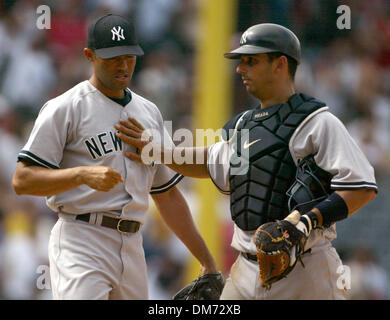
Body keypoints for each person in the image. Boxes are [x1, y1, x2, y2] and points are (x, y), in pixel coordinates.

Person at [115, 23, 378, 300]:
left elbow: (363, 188)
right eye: (241, 62)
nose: (240, 69)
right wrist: (158, 151)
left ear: (280, 64)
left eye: (251, 61)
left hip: (305, 268)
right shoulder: (245, 126)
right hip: (245, 270)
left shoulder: (318, 123)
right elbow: (208, 162)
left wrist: (308, 222)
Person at [12, 14, 218, 300]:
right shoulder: (65, 108)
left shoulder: (149, 113)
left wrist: (207, 261)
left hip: (133, 244)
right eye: (112, 57)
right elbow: (22, 179)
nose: (122, 65)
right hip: (81, 237)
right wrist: (80, 174)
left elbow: (167, 196)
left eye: (128, 56)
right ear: (89, 55)